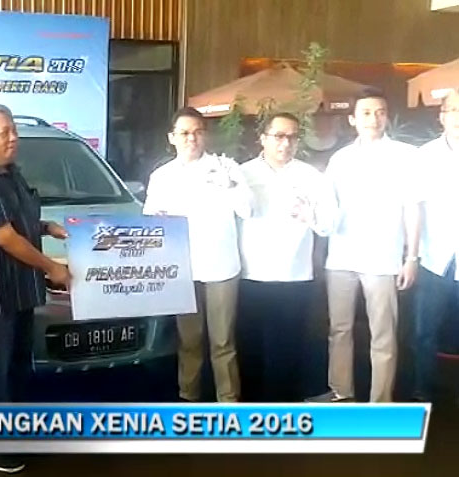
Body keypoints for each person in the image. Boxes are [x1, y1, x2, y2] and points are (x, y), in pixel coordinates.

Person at [0, 104, 70, 474]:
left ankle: (15, 434)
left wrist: (46, 227)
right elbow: (4, 236)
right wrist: (51, 266)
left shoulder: (11, 173)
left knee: (19, 366)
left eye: (14, 131)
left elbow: (20, 222)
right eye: (4, 132)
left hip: (22, 288)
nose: (13, 138)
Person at [309, 89, 421, 403]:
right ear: (352, 119)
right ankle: (340, 391)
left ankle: (380, 401)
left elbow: (412, 208)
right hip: (341, 256)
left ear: (387, 117)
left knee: (382, 334)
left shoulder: (405, 155)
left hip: (383, 258)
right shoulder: (340, 159)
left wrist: (411, 257)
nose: (373, 118)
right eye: (366, 113)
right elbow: (327, 207)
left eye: (380, 112)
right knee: (339, 329)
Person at [143, 107, 252, 403]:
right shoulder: (161, 176)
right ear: (172, 138)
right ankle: (188, 398)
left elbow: (247, 210)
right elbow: (150, 220)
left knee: (223, 341)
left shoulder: (226, 167)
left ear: (205, 135)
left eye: (197, 132)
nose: (191, 138)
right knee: (189, 340)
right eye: (184, 133)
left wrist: (230, 186)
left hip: (221, 268)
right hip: (182, 270)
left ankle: (228, 402)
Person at [237, 113, 337, 402]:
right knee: (250, 346)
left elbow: (329, 224)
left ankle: (285, 409)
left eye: (292, 137)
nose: (286, 143)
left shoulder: (311, 176)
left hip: (295, 276)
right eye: (279, 136)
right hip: (251, 274)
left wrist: (310, 216)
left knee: (290, 347)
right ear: (263, 138)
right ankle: (252, 409)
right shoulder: (241, 174)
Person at [411, 88, 459, 402]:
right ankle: (422, 389)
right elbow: (415, 207)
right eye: (453, 110)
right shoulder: (426, 155)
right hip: (435, 256)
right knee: (424, 331)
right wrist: (412, 256)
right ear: (441, 116)